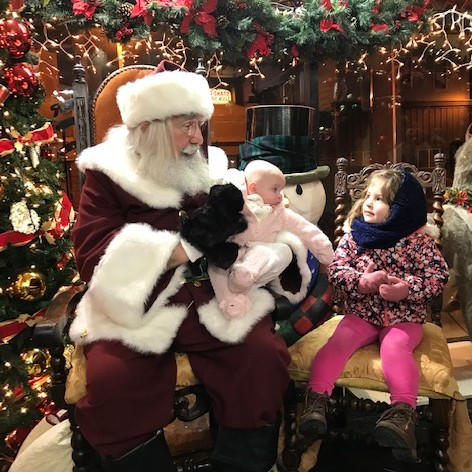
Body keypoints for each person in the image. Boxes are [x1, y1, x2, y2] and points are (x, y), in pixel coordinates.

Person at [69, 61, 292, 472]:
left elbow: (246, 227)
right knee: (112, 381)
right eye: (187, 125)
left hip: (211, 295)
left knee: (262, 358)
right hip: (137, 305)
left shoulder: (208, 165)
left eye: (200, 125)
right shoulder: (106, 175)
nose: (198, 138)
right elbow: (93, 258)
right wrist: (185, 246)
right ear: (150, 127)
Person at [299, 168, 448, 462]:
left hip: (405, 317)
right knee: (338, 341)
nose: (368, 202)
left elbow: (438, 277)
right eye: (368, 195)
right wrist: (361, 282)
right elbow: (338, 271)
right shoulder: (355, 237)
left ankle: (402, 415)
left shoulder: (419, 243)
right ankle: (315, 403)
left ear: (401, 210)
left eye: (379, 199)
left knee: (395, 347)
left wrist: (407, 289)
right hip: (362, 314)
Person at [209, 159, 334, 318]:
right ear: (253, 188)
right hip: (229, 251)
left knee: (272, 252)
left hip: (256, 257)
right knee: (216, 269)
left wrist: (322, 247)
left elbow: (303, 227)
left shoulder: (279, 212)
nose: (281, 196)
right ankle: (228, 301)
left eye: (281, 190)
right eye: (275, 189)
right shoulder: (234, 203)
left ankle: (243, 277)